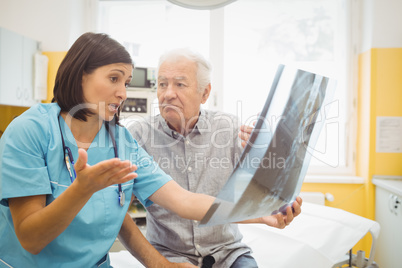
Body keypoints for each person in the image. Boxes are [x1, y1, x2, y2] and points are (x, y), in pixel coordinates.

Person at [0, 32, 225, 268]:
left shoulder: (122, 142)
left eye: (126, 83)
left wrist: (254, 212)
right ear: (80, 76)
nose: (123, 93)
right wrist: (81, 190)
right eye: (114, 78)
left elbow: (184, 201)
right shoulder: (30, 131)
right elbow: (31, 238)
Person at [126, 48, 302, 267]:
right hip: (168, 255)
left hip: (228, 253)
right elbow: (118, 206)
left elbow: (264, 188)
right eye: (162, 84)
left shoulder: (229, 129)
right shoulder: (138, 136)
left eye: (180, 84)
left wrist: (267, 154)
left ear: (205, 93)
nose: (168, 93)